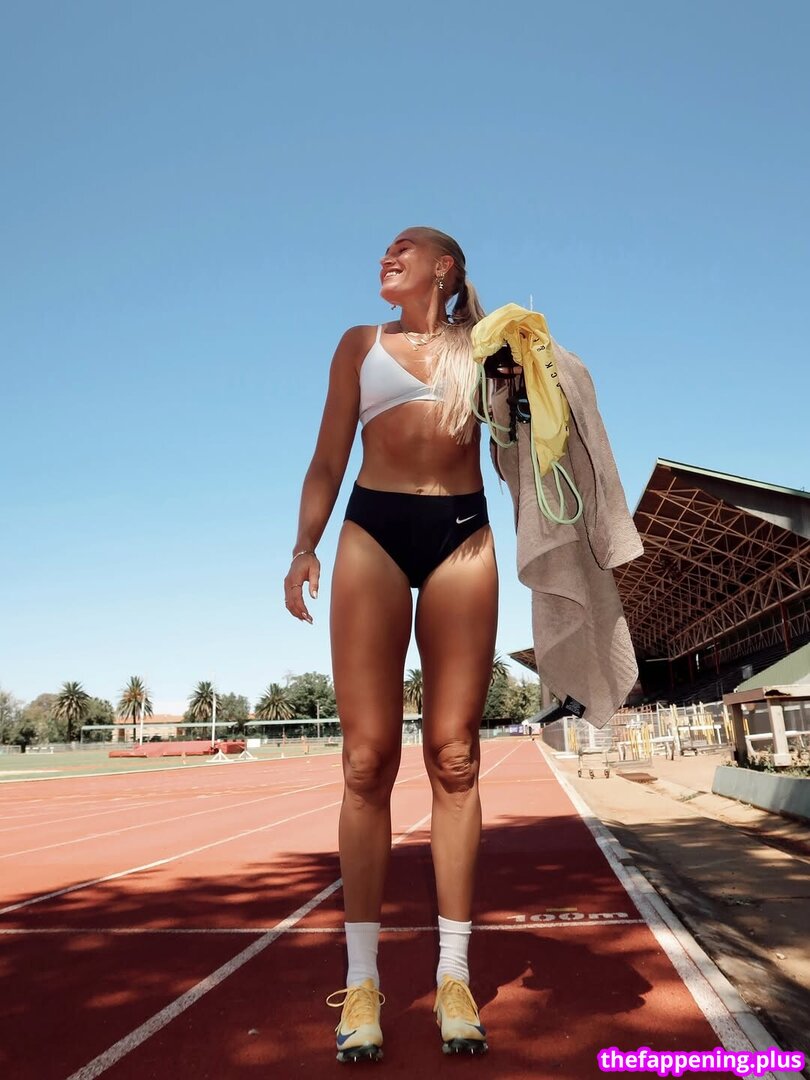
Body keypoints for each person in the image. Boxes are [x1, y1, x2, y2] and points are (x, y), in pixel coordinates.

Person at [284, 227, 497, 1062]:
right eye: (383, 250)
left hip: (462, 532)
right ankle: (363, 981)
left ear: (444, 269)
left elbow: (528, 438)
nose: (386, 256)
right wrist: (304, 546)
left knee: (456, 755)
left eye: (403, 248)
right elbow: (326, 458)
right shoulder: (357, 345)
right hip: (372, 529)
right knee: (367, 759)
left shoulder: (485, 347)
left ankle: (455, 976)